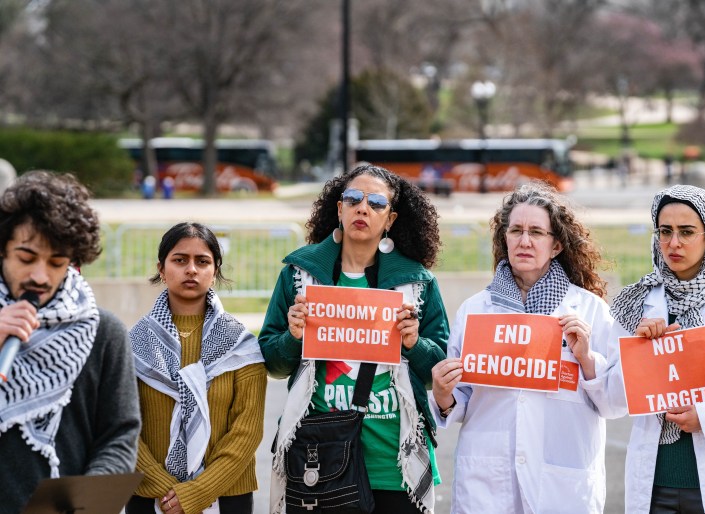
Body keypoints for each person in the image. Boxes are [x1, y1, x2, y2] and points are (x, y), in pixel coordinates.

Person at [260, 163, 449, 514]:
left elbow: (438, 371)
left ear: (390, 219)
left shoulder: (418, 283)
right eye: (353, 198)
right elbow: (272, 361)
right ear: (339, 209)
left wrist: (414, 343)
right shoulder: (299, 275)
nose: (363, 208)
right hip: (320, 460)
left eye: (377, 203)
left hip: (395, 469)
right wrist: (293, 336)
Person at [430, 181, 615, 513]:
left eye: (536, 232)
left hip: (562, 483)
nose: (524, 241)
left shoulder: (589, 311)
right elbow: (460, 400)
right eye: (515, 230)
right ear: (505, 238)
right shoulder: (476, 310)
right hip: (487, 482)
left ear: (556, 245)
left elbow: (615, 402)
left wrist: (587, 358)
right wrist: (443, 394)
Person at [606, 185, 705, 513]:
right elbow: (611, 398)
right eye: (665, 231)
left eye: (687, 232)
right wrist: (638, 353)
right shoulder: (638, 302)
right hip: (654, 486)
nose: (674, 243)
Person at [0, 171, 141, 514]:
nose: (40, 276)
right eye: (26, 258)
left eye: (57, 262)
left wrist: (89, 504)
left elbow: (119, 437)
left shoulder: (105, 333)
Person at [127, 222, 267, 514]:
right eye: (180, 260)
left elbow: (247, 430)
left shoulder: (241, 345)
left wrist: (196, 493)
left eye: (202, 261)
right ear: (162, 270)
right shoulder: (133, 344)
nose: (191, 269)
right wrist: (166, 489)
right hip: (150, 498)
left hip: (228, 497)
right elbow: (122, 425)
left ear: (214, 271)